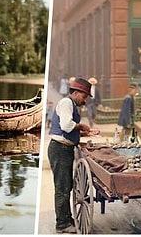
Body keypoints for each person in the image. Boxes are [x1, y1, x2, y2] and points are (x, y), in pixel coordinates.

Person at [47, 77, 94, 234]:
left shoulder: (71, 104)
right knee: (62, 188)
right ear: (76, 93)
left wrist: (85, 131)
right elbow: (67, 126)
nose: (85, 100)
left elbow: (69, 128)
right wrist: (81, 126)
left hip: (64, 149)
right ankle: (62, 224)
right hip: (59, 149)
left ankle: (66, 218)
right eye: (84, 96)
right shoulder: (67, 103)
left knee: (66, 186)